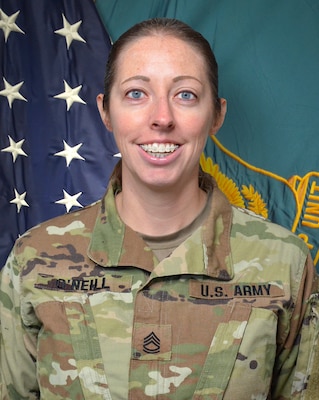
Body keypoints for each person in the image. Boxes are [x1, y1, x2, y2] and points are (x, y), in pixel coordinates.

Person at [0, 17, 318, 400]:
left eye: (185, 94)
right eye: (136, 93)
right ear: (105, 111)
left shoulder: (284, 263)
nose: (162, 118)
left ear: (216, 115)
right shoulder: (35, 258)